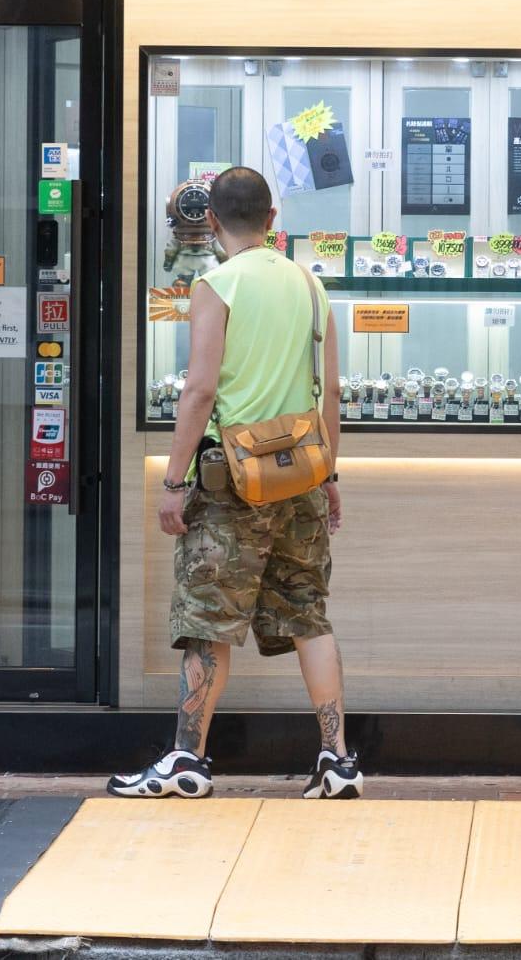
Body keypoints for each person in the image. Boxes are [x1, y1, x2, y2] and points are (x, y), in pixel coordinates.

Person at [108, 167, 361, 801]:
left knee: (208, 620)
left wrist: (174, 481)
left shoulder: (216, 285)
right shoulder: (310, 284)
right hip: (301, 476)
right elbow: (330, 392)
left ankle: (187, 761)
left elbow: (199, 390)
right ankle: (337, 760)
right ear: (273, 220)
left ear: (213, 221)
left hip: (231, 483)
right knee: (308, 615)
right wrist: (329, 472)